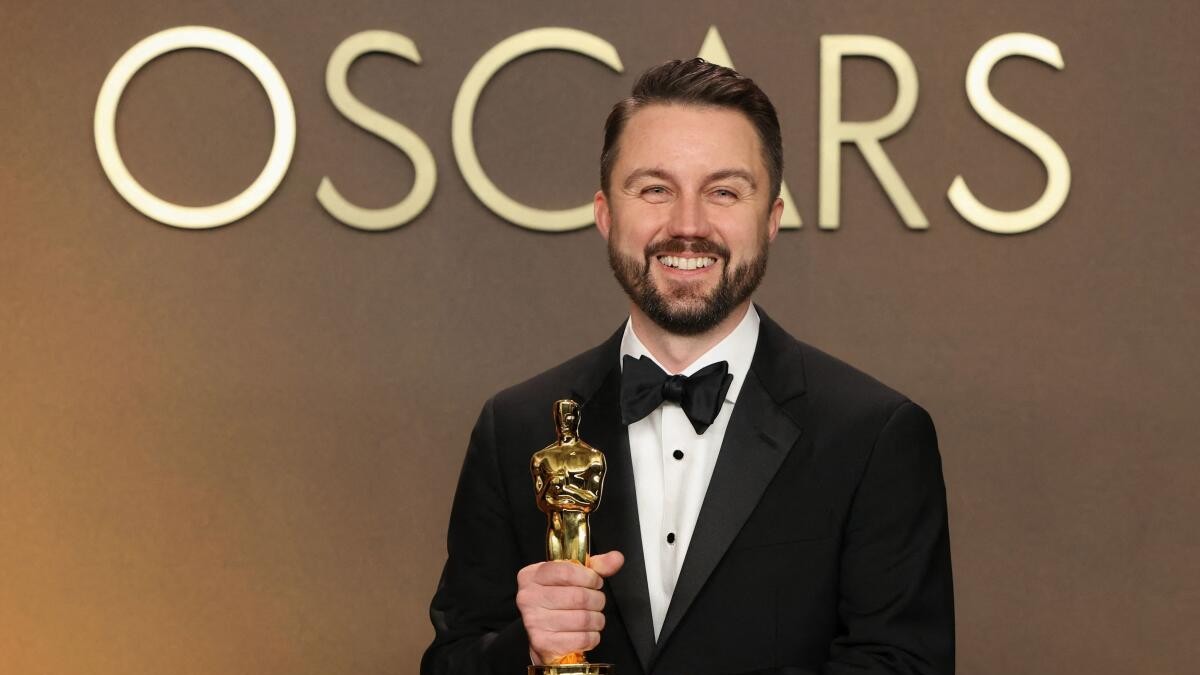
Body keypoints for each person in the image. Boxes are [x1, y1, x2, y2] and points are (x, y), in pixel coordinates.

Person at [421, 58, 954, 675]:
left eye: (724, 191)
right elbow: (450, 662)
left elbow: (904, 666)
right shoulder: (515, 427)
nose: (688, 226)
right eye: (654, 189)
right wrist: (529, 648)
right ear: (605, 215)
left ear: (772, 219)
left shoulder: (874, 435)